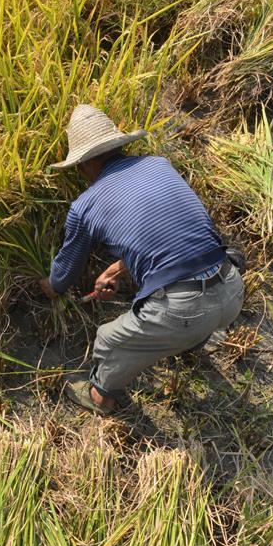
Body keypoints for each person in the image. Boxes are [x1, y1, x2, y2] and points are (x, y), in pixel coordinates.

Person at [40, 104, 244, 414]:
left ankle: (100, 398)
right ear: (119, 146)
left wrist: (47, 287)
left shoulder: (84, 207)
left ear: (82, 165)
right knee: (187, 314)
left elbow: (63, 276)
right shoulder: (159, 166)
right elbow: (173, 237)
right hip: (232, 291)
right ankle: (193, 342)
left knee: (108, 341)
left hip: (183, 313)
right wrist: (117, 269)